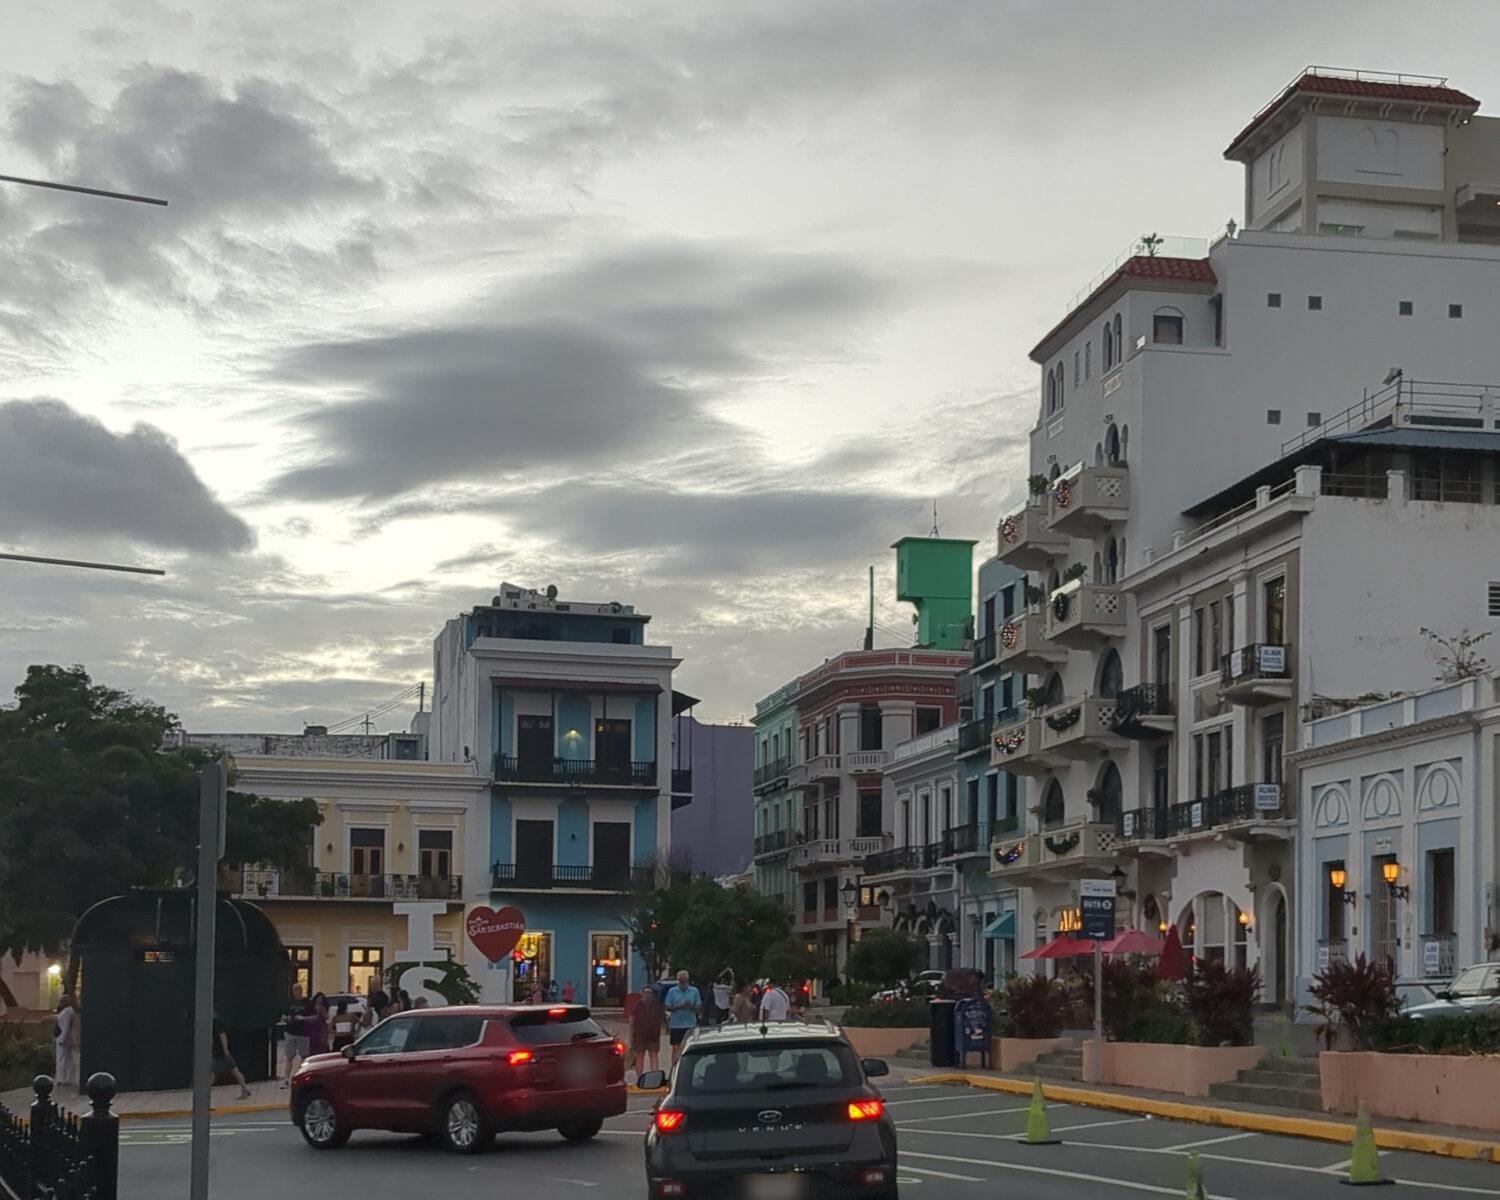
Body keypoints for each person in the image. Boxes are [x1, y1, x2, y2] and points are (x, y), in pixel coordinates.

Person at [209, 1006, 252, 1100]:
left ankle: (205, 1094)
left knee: (212, 1074)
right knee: (234, 1071)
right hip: (221, 1053)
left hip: (220, 1053)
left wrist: (225, 1050)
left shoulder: (217, 1023)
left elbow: (222, 1036)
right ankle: (244, 1089)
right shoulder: (217, 1022)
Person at [663, 970, 702, 1067]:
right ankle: (675, 1067)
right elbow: (667, 1007)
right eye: (681, 981)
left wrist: (690, 1006)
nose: (683, 984)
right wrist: (679, 1006)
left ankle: (690, 1066)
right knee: (676, 1047)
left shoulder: (694, 991)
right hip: (676, 1024)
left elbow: (698, 1008)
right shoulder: (672, 991)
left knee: (691, 1046)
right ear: (678, 981)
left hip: (690, 1024)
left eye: (684, 981)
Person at [281, 985, 313, 1088]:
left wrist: (303, 1018)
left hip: (303, 1033)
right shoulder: (288, 1002)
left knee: (304, 1057)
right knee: (289, 1056)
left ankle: (303, 1077)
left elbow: (313, 1016)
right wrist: (286, 1017)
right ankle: (286, 1079)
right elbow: (282, 1014)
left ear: (301, 990)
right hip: (290, 1032)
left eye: (298, 990)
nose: (296, 992)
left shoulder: (307, 1002)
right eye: (294, 990)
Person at [628, 985, 663, 1079]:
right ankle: (639, 1076)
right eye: (646, 992)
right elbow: (632, 1019)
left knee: (654, 1054)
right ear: (642, 994)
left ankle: (654, 1076)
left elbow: (661, 1019)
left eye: (649, 992)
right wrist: (631, 1034)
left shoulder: (657, 1005)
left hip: (654, 1034)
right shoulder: (638, 1005)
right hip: (640, 1035)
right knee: (640, 1055)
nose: (647, 994)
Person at [52, 994, 77, 1087]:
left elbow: (66, 1027)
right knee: (69, 1058)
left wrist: (61, 1038)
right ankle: (69, 1078)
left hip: (63, 1038)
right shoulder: (69, 1011)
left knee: (61, 1058)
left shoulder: (66, 1012)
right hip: (67, 1038)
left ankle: (61, 1079)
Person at [308, 992, 330, 1058]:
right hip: (312, 1027)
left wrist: (321, 1012)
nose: (319, 1000)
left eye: (321, 999)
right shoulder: (311, 1006)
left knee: (322, 1041)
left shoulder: (323, 1008)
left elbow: (327, 1016)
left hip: (321, 1026)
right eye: (318, 999)